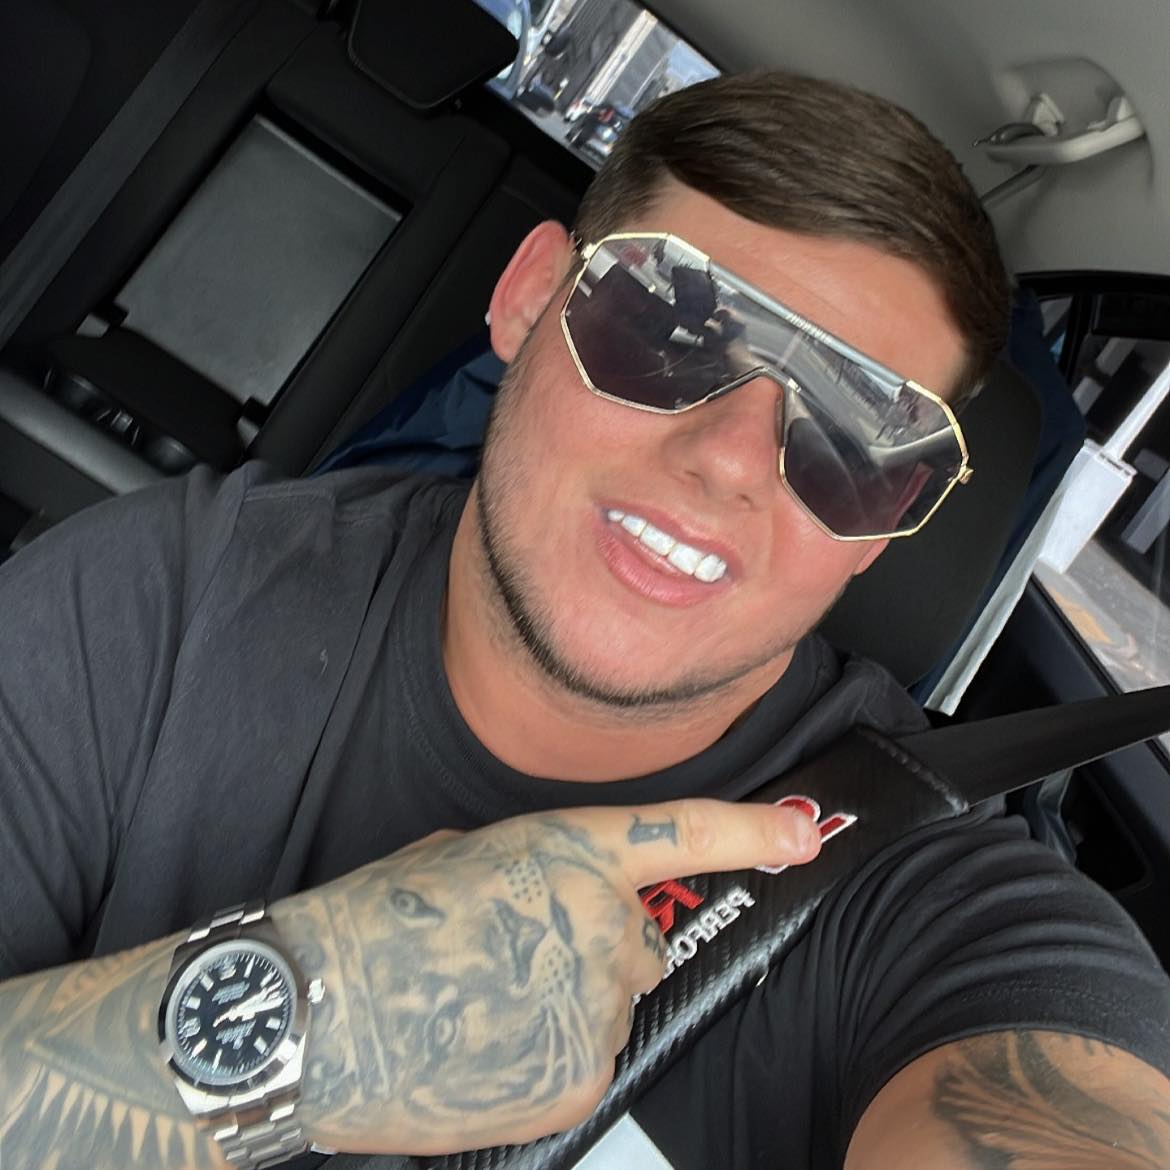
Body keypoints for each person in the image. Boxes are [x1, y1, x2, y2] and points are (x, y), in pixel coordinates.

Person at [1, 71, 1169, 1170]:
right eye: (673, 327)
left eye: (858, 436)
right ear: (527, 299)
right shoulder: (164, 602)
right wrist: (298, 1031)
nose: (730, 460)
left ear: (889, 521)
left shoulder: (947, 917)